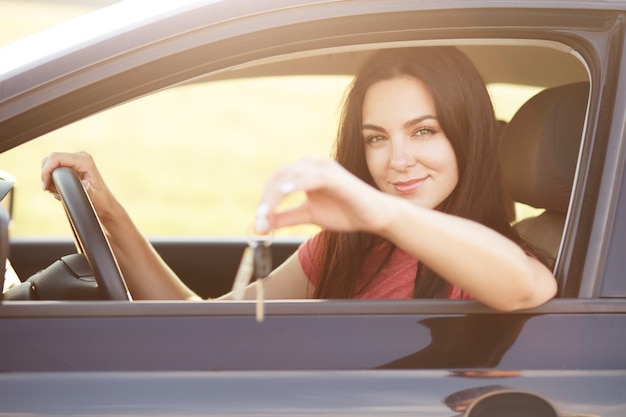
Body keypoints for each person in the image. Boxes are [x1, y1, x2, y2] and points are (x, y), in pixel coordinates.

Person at [41, 46, 557, 311]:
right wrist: (110, 217)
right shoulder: (348, 246)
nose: (397, 159)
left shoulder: (490, 259)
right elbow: (207, 325)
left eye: (423, 131)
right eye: (376, 138)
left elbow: (527, 288)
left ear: (468, 135)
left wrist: (382, 211)